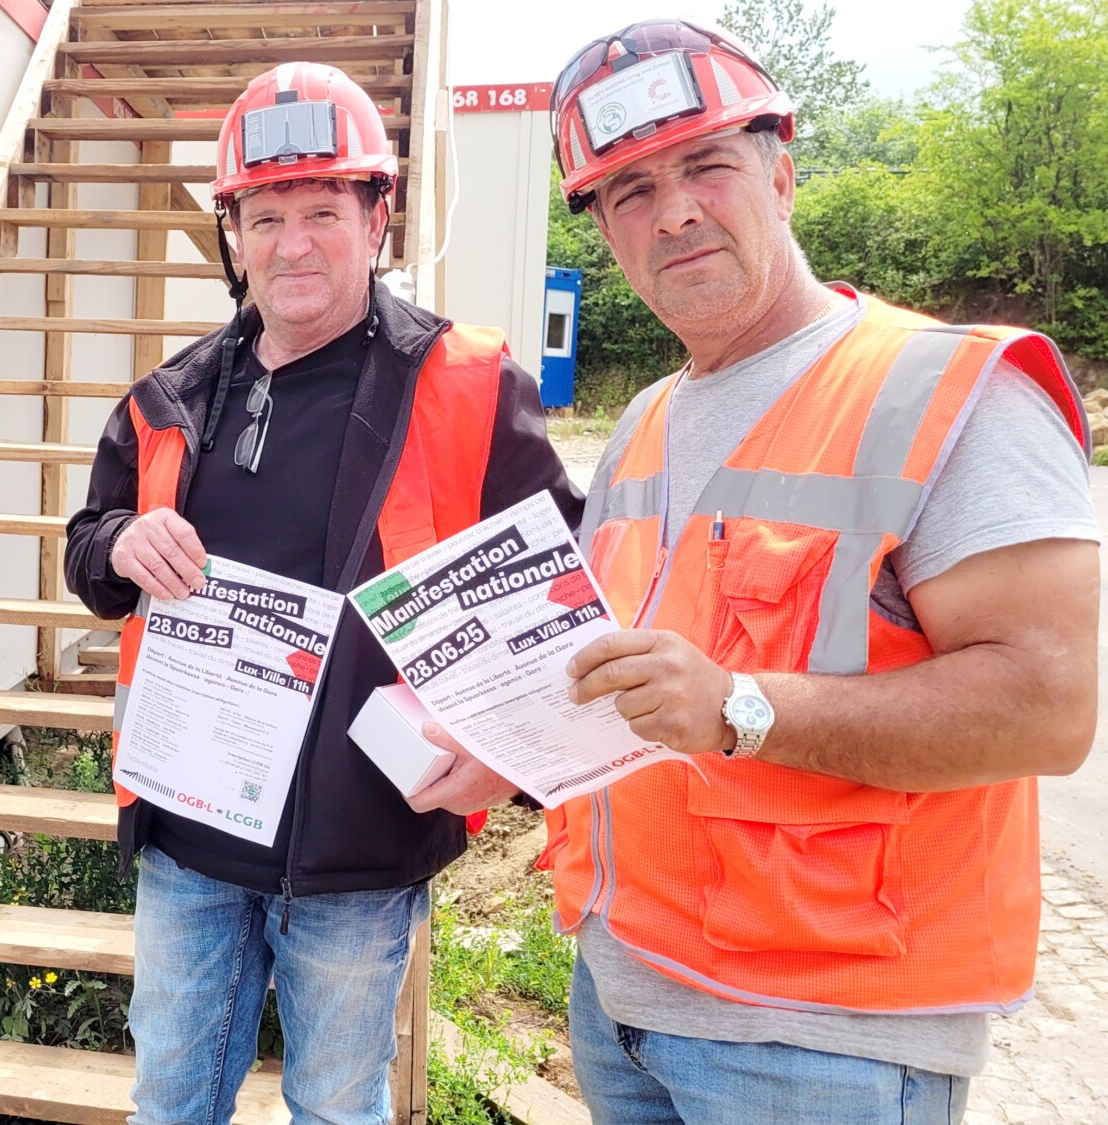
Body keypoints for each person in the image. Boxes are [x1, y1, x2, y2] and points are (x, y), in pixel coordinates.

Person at [415, 22, 1100, 1122]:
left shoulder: (942, 390)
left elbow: (1047, 709)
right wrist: (506, 745)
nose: (673, 212)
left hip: (821, 1042)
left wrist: (740, 707)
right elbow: (621, 678)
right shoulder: (644, 423)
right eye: (630, 190)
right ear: (606, 231)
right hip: (621, 994)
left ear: (781, 177)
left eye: (706, 165)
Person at [65, 62, 583, 1124]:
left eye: (321, 212)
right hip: (189, 841)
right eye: (264, 217)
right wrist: (120, 544)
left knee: (338, 1107)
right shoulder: (167, 400)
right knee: (168, 1103)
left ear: (376, 218)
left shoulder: (469, 387)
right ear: (232, 235)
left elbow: (563, 609)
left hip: (361, 848)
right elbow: (86, 554)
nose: (291, 244)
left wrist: (504, 751)